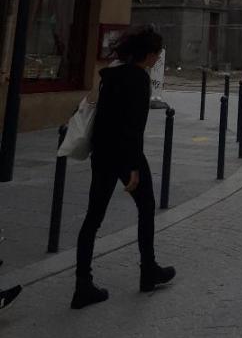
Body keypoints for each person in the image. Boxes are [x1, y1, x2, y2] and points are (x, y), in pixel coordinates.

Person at [72, 26, 175, 310]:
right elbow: (133, 127)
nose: (157, 59)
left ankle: (82, 284)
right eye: (156, 54)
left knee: (92, 218)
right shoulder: (138, 79)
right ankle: (148, 271)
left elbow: (103, 118)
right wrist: (132, 167)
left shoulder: (110, 75)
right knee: (146, 208)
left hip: (102, 153)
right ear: (150, 54)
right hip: (127, 155)